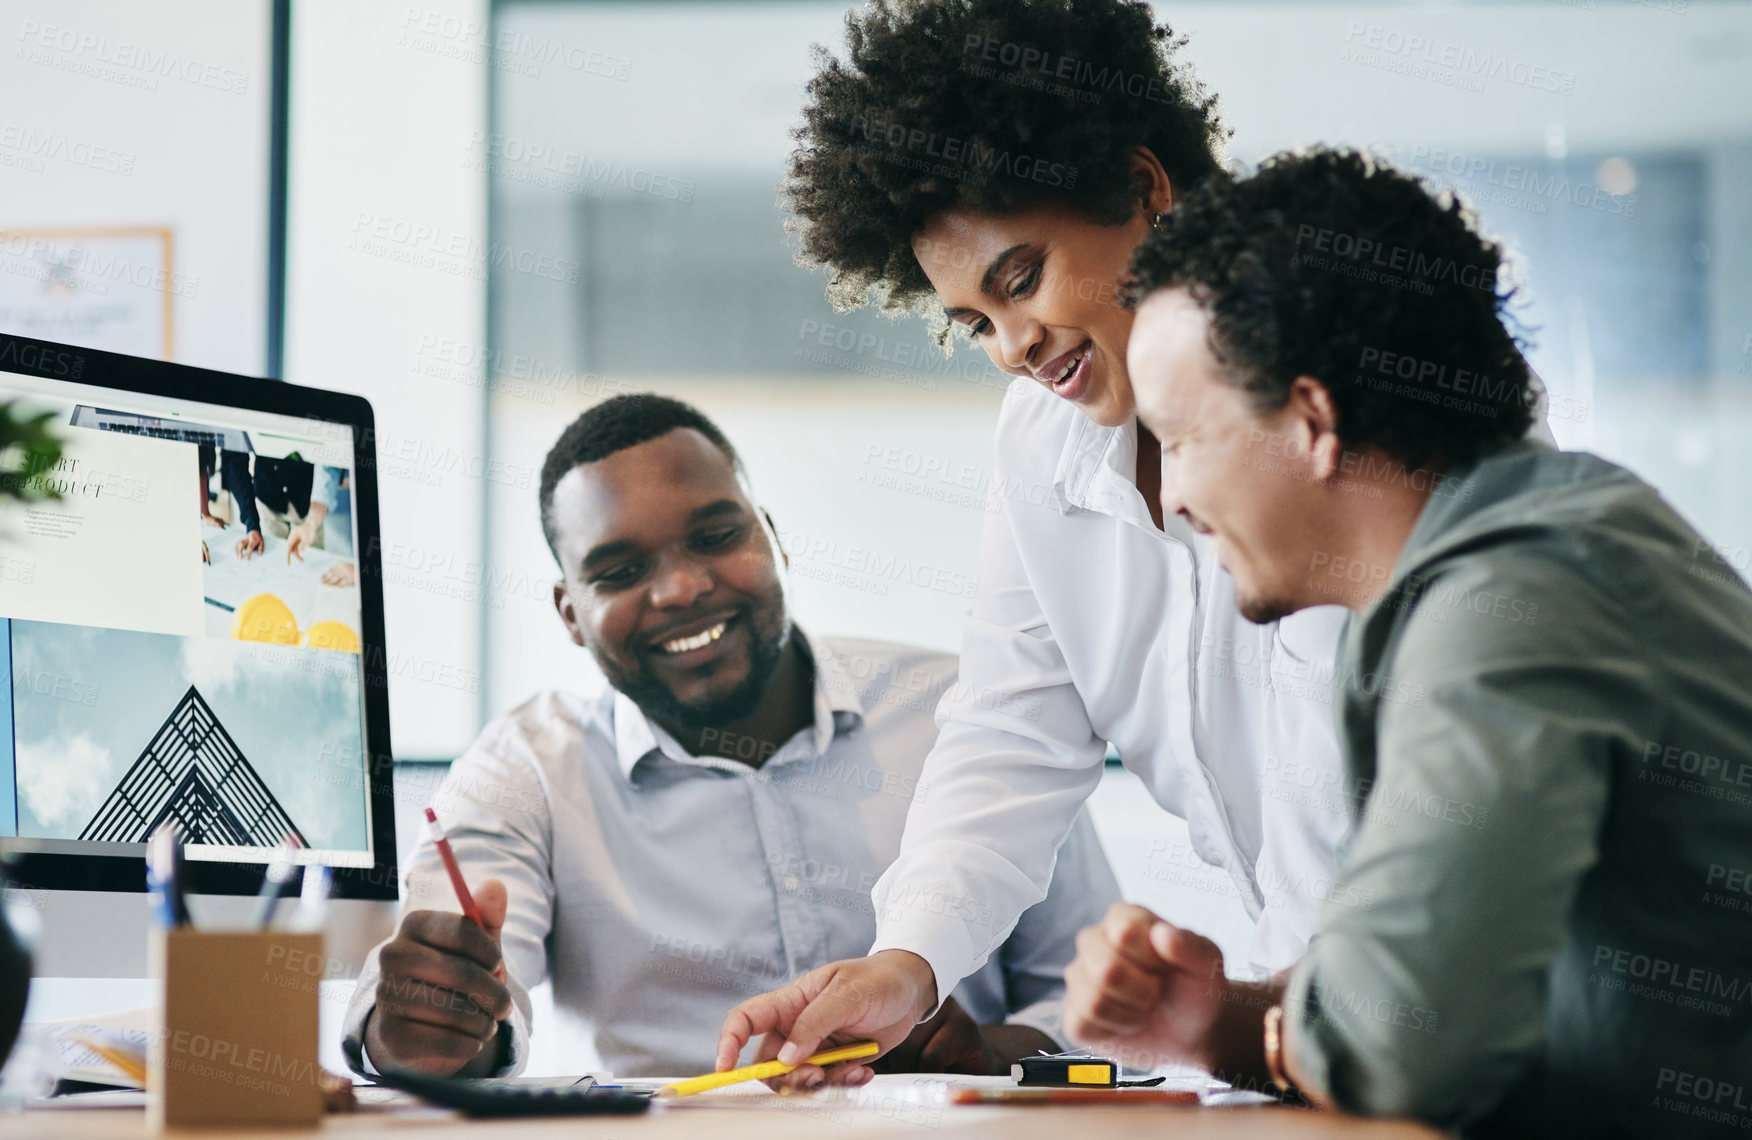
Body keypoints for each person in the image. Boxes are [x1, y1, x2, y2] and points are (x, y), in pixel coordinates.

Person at [717, 0, 1397, 1083]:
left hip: (1449, 1028)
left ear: (1143, 187)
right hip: (1300, 1050)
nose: (1013, 349)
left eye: (1020, 279)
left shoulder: (1365, 403)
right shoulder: (1046, 441)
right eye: (975, 323)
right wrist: (908, 964)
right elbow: (1010, 735)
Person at [1059, 147, 1752, 1138]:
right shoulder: (1545, 541)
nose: (1170, 496)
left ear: (1312, 421)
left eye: (1182, 438)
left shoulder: (1510, 603)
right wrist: (1217, 1022)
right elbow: (1448, 998)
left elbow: (1404, 1050)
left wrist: (1282, 1031)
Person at [340, 393, 1118, 1079]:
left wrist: (990, 1050)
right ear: (569, 613)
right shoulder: (525, 770)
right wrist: (419, 1028)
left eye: (715, 536)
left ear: (773, 537)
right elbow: (460, 998)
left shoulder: (966, 713)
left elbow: (1100, 1006)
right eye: (618, 571)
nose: (680, 587)